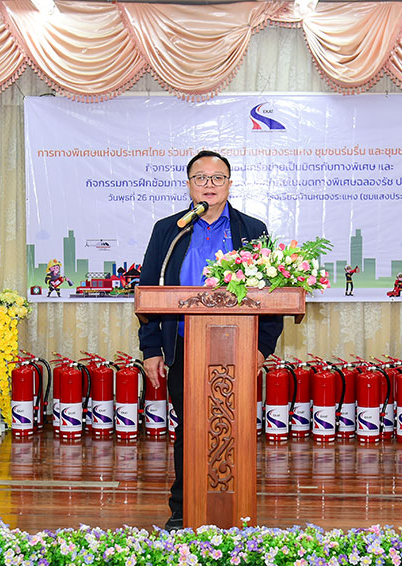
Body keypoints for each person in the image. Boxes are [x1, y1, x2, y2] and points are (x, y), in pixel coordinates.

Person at [138, 150, 284, 531]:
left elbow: (272, 296)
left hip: (238, 350)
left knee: (234, 430)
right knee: (189, 430)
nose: (209, 185)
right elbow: (148, 291)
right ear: (189, 185)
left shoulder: (252, 230)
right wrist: (151, 348)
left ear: (229, 184)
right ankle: (183, 508)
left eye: (217, 178)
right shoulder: (169, 230)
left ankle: (236, 508)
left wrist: (261, 349)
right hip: (183, 346)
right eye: (200, 178)